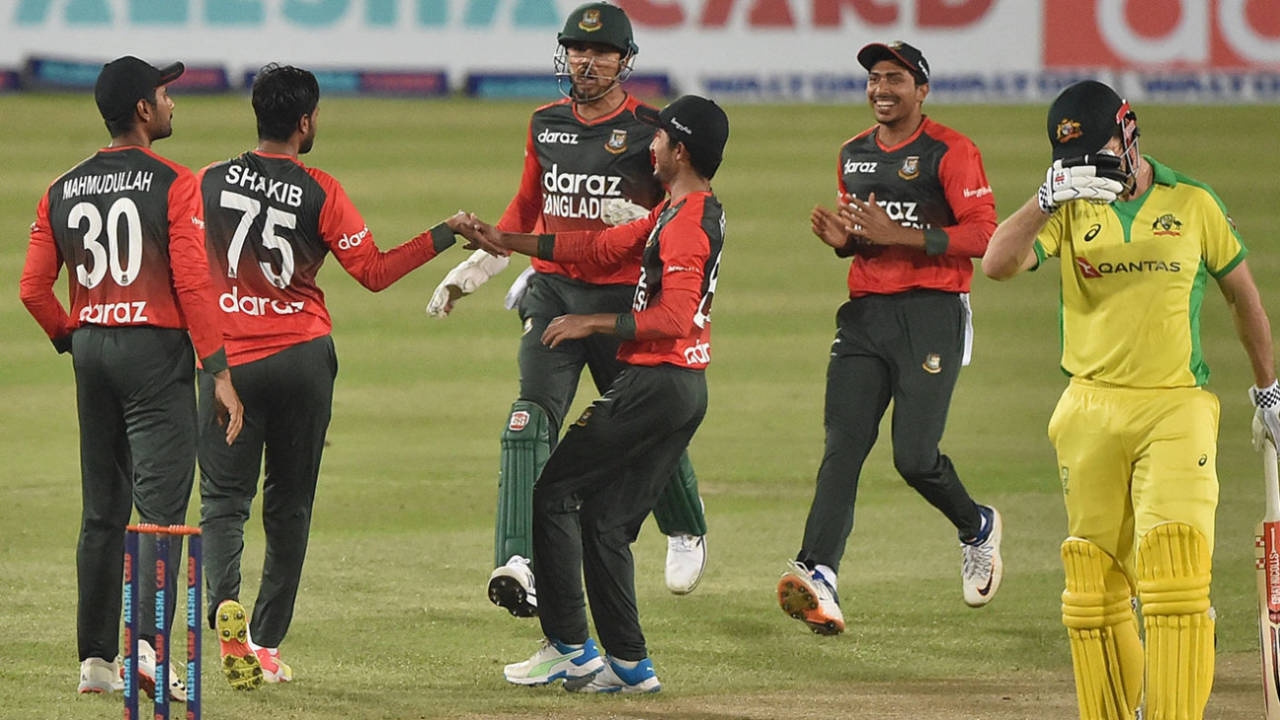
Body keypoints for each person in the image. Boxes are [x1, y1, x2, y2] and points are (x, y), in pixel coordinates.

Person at [982, 79, 1277, 720]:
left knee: (1172, 574)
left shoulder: (1193, 202)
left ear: (1131, 130)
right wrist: (1045, 196)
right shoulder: (1068, 205)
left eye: (1101, 150)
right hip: (1089, 408)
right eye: (1076, 157)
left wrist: (1268, 387)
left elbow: (1243, 298)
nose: (1094, 166)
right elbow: (997, 263)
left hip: (1175, 406)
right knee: (1092, 586)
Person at [195, 64, 488, 690]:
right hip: (303, 357)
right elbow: (375, 271)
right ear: (304, 122)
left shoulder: (205, 183)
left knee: (223, 503)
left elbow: (182, 270)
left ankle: (227, 610)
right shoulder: (321, 190)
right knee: (290, 503)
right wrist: (446, 231)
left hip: (232, 361)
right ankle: (266, 644)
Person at [425, 1, 709, 614]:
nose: (584, 62)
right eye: (577, 51)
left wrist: (648, 220)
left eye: (599, 52)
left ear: (624, 60)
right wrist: (482, 263)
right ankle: (519, 559)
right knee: (527, 422)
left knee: (645, 423)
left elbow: (691, 206)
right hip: (552, 292)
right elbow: (526, 207)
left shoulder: (652, 131)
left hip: (621, 296)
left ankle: (685, 525)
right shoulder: (544, 123)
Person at [462, 94, 727, 693]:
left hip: (657, 386)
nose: (649, 146)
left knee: (553, 491)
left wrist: (592, 323)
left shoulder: (684, 225)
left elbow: (676, 318)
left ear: (679, 151)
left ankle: (570, 649)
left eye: (659, 140)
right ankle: (630, 667)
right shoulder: (681, 210)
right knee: (605, 522)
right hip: (680, 389)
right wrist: (502, 240)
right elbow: (596, 248)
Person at [18, 55, 243, 700]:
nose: (173, 103)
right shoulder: (174, 181)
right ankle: (147, 652)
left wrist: (74, 335)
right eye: (165, 94)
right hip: (155, 354)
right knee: (162, 510)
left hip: (92, 348)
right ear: (143, 110)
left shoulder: (61, 187)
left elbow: (33, 288)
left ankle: (95, 662)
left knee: (102, 510)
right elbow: (196, 285)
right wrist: (219, 372)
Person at [777, 41, 1003, 636]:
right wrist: (845, 243)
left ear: (921, 90)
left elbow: (985, 236)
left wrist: (900, 233)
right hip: (865, 313)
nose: (881, 89)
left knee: (914, 457)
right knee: (842, 445)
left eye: (895, 79)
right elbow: (865, 235)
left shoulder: (951, 151)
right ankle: (818, 572)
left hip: (932, 312)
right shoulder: (852, 153)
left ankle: (976, 525)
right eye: (874, 79)